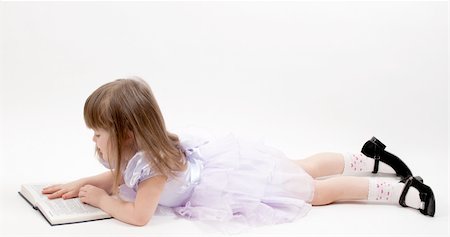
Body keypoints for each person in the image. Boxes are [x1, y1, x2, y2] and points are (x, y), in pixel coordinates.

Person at [42, 77, 435, 227]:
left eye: (98, 133)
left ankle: (399, 192)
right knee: (302, 166)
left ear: (127, 133)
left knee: (315, 192)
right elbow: (120, 177)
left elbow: (139, 214)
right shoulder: (142, 151)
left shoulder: (154, 168)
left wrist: (102, 201)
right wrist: (82, 182)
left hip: (231, 185)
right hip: (232, 167)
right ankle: (372, 158)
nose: (93, 141)